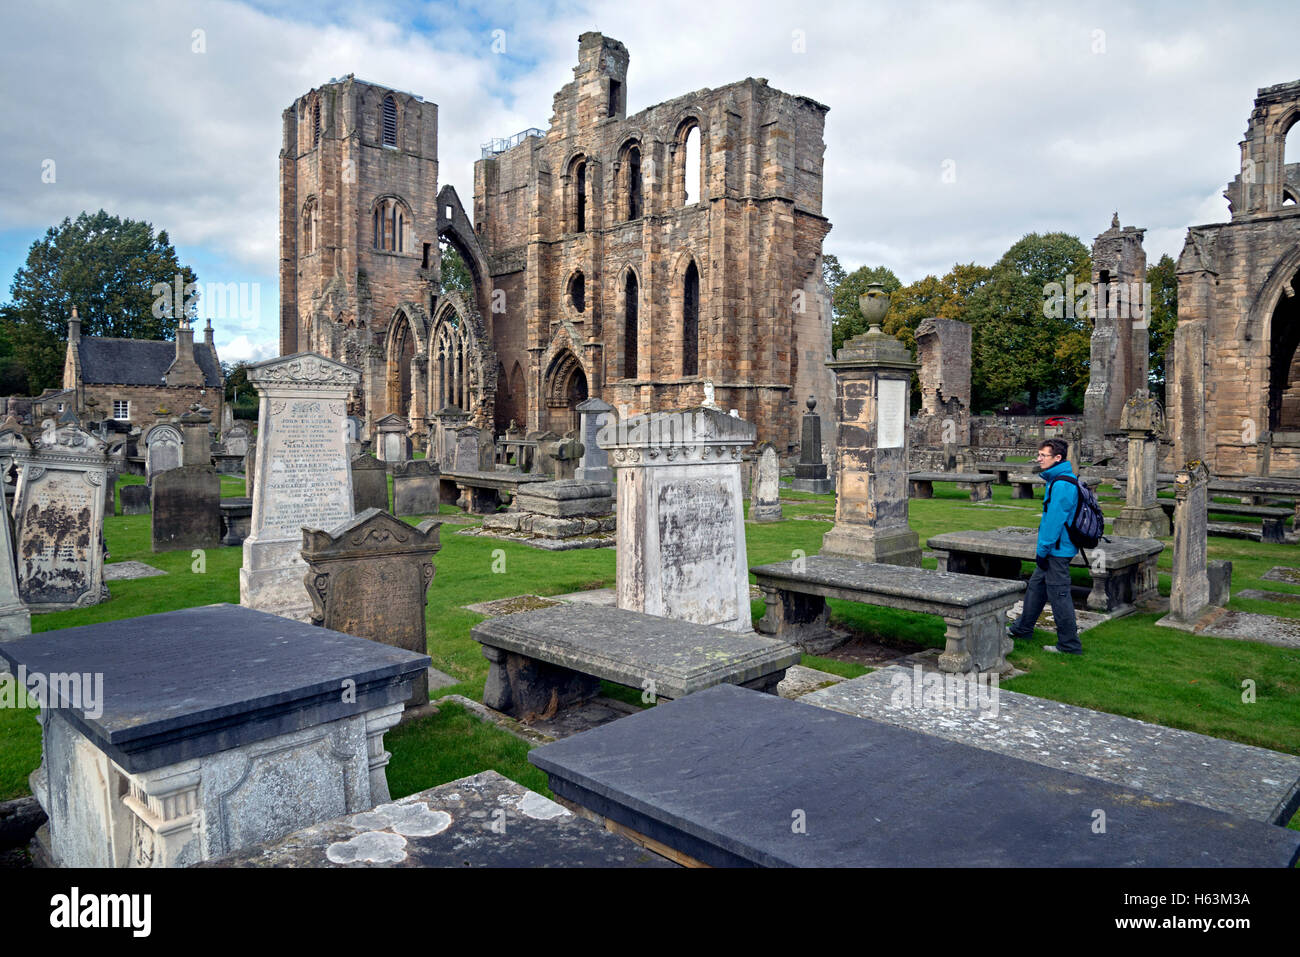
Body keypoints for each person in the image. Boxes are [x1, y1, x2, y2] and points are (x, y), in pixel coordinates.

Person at [1007, 437, 1082, 654]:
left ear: (1057, 458)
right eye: (1038, 454)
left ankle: (1069, 644)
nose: (1038, 459)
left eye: (1043, 455)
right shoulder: (1058, 479)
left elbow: (1053, 523)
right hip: (1055, 548)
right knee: (1036, 588)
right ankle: (1022, 628)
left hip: (1057, 550)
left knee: (1059, 596)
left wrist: (1042, 551)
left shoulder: (1062, 484)